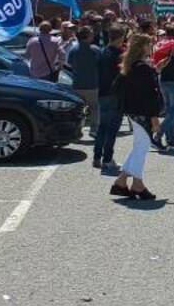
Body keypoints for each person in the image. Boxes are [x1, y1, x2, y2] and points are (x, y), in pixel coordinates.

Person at [109, 34, 163, 200]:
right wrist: (154, 117)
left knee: (139, 146)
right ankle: (137, 184)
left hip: (133, 111)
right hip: (142, 113)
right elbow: (149, 95)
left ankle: (122, 181)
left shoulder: (131, 66)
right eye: (149, 44)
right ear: (142, 47)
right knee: (142, 147)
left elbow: (116, 88)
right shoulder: (142, 68)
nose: (151, 47)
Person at [94, 25, 126, 173]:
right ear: (120, 37)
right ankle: (107, 159)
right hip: (115, 94)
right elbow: (123, 75)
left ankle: (97, 157)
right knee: (112, 129)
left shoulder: (101, 52)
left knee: (102, 127)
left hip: (102, 92)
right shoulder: (120, 54)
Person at [66, 26, 101, 136]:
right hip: (93, 84)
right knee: (95, 108)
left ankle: (77, 130)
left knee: (78, 109)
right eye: (91, 34)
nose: (93, 35)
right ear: (87, 36)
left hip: (77, 84)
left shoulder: (73, 50)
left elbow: (69, 64)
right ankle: (94, 130)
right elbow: (101, 64)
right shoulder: (95, 49)